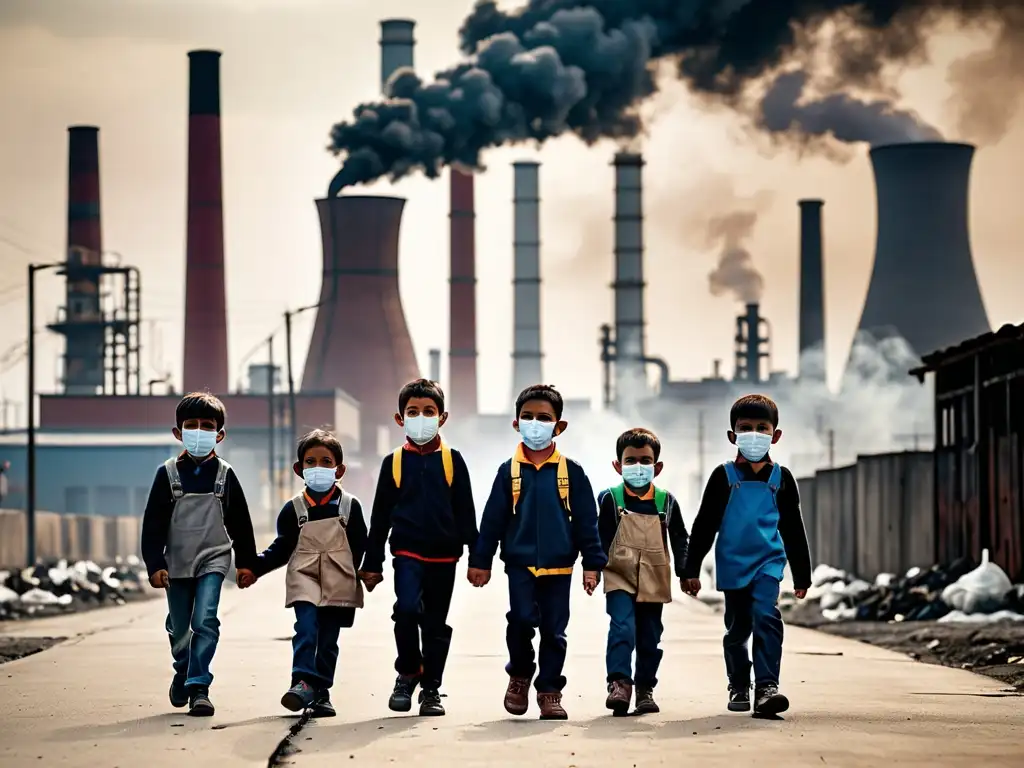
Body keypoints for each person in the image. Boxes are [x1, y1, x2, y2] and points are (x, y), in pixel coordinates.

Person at [468, 384, 607, 721]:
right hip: (519, 564)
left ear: (559, 426)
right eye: (527, 417)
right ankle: (519, 674)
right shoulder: (508, 471)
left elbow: (588, 522)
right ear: (516, 422)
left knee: (555, 632)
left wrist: (592, 564)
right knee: (520, 621)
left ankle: (549, 691)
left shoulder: (572, 472)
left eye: (544, 418)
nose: (535, 423)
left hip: (560, 567)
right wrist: (480, 561)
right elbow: (492, 520)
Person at [681, 393, 812, 717]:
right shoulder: (723, 477)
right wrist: (691, 568)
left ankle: (767, 687)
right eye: (745, 427)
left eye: (762, 427)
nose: (754, 434)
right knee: (738, 629)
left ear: (775, 435)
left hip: (768, 561)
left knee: (766, 615)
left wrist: (802, 574)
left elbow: (793, 528)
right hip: (733, 563)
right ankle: (739, 683)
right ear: (733, 435)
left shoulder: (781, 479)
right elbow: (704, 525)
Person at [358, 379, 478, 717]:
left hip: (445, 556)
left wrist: (478, 558)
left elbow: (466, 513)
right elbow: (379, 517)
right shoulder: (393, 463)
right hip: (407, 552)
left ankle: (431, 689)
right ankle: (408, 670)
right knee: (407, 610)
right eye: (413, 412)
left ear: (442, 417)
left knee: (436, 624)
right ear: (400, 419)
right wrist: (372, 563)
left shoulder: (453, 461)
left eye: (429, 411)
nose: (421, 417)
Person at [141, 392, 258, 717]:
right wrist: (154, 564)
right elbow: (152, 525)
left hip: (213, 559)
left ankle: (199, 687)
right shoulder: (166, 475)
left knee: (205, 619)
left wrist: (247, 563)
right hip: (176, 562)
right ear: (178, 432)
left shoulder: (225, 475)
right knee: (180, 628)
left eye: (207, 426)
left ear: (219, 434)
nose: (199, 431)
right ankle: (183, 669)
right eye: (191, 425)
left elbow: (240, 524)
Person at [250, 429, 367, 718]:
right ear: (299, 468)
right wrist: (254, 568)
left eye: (326, 462)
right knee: (306, 628)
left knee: (328, 640)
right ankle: (301, 682)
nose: (318, 468)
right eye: (310, 461)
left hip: (339, 579)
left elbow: (361, 544)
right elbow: (281, 548)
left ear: (339, 469)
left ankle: (321, 693)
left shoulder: (350, 507)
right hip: (304, 577)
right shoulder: (293, 510)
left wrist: (368, 570)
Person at [598, 427, 689, 716]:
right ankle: (619, 684)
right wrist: (592, 568)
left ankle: (645, 689)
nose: (638, 467)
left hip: (654, 577)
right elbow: (598, 538)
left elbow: (680, 539)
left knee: (650, 636)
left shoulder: (666, 502)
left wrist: (687, 573)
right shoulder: (610, 500)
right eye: (631, 461)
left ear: (657, 466)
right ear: (617, 465)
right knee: (622, 627)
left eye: (645, 461)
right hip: (619, 575)